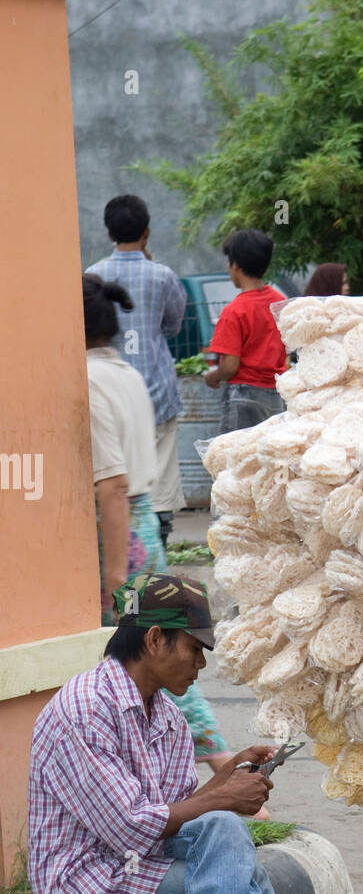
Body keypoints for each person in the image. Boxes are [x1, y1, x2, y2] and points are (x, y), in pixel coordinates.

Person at [27, 573, 353, 894]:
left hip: (136, 867)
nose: (202, 665)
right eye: (195, 650)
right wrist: (221, 797)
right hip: (85, 886)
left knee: (232, 847)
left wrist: (228, 780)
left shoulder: (168, 718)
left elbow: (181, 815)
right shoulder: (83, 711)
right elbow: (129, 828)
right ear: (155, 639)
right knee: (244, 868)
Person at [84, 272, 235, 775]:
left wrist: (113, 579)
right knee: (165, 650)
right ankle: (218, 762)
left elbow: (109, 483)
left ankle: (216, 769)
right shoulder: (125, 372)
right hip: (142, 525)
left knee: (142, 655)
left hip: (118, 533)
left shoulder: (85, 379)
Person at [89, 195, 187, 550]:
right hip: (156, 389)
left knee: (111, 468)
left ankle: (115, 545)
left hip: (105, 390)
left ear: (108, 232)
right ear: (146, 233)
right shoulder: (163, 275)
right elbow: (174, 325)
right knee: (158, 475)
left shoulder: (94, 275)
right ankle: (157, 546)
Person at [205, 229, 288, 433]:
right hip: (277, 397)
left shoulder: (233, 311)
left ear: (236, 266)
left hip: (242, 398)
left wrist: (214, 377)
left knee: (238, 461)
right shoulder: (280, 303)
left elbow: (230, 366)